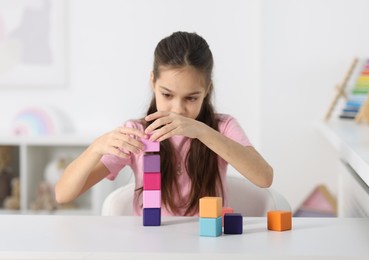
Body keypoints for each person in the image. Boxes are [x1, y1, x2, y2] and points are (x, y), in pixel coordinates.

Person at [55, 31, 273, 216]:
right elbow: (63, 194)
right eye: (167, 95)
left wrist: (202, 132)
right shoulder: (137, 133)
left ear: (207, 90)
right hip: (152, 247)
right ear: (153, 82)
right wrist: (95, 148)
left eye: (191, 98)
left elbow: (264, 177)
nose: (178, 109)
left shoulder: (222, 127)